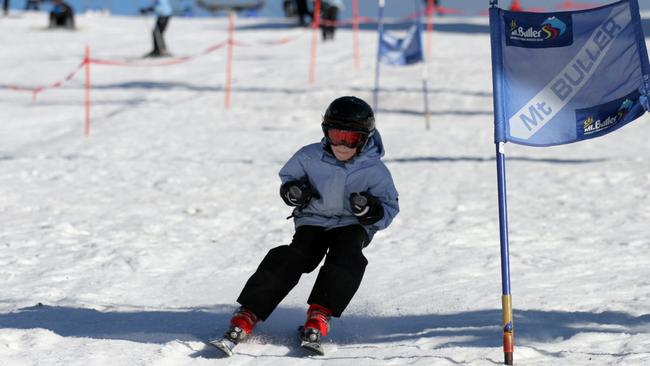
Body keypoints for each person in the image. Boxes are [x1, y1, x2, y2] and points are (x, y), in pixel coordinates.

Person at [213, 96, 400, 355]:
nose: (343, 145)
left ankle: (321, 312)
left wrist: (370, 210)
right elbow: (289, 180)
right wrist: (295, 192)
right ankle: (249, 312)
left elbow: (389, 207)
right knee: (296, 255)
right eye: (337, 136)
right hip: (313, 220)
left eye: (351, 139)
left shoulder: (375, 171)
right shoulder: (309, 157)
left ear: (365, 138)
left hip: (351, 224)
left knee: (347, 255)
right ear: (326, 133)